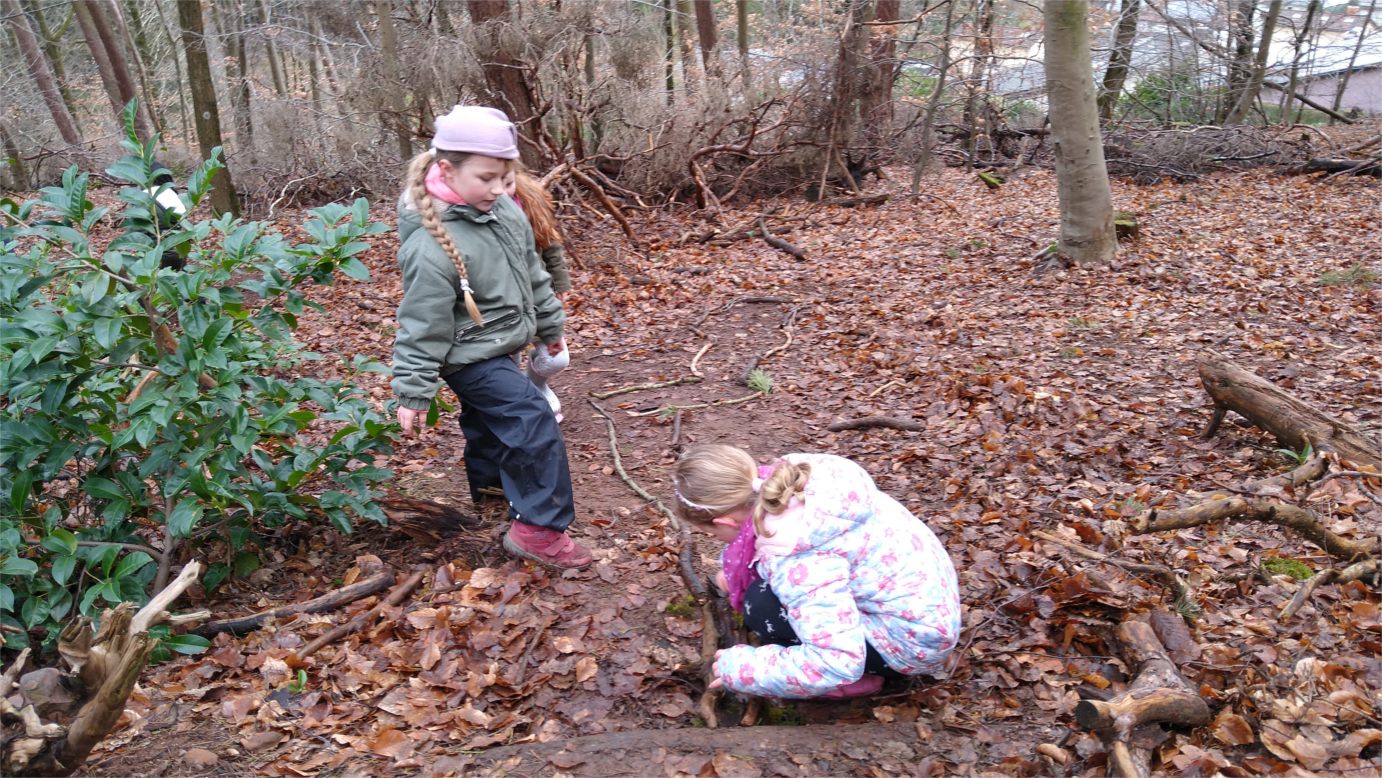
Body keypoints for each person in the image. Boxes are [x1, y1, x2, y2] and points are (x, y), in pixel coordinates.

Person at [390, 105, 591, 570]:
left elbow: (533, 274)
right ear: (446, 170)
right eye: (487, 178)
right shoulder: (430, 244)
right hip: (467, 355)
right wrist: (414, 391)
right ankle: (538, 530)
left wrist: (549, 326)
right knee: (531, 418)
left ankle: (493, 495)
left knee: (488, 424)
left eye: (506, 177)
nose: (500, 189)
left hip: (503, 341)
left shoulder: (504, 211)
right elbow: (421, 325)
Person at [673, 445, 959, 699]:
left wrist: (747, 670)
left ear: (725, 521)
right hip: (927, 598)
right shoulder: (796, 479)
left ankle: (862, 681)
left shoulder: (799, 558)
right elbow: (752, 541)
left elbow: (837, 661)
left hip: (911, 644)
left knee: (759, 605)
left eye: (710, 532)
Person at [502, 167, 570, 422]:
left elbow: (550, 243)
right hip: (500, 304)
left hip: (537, 296)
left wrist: (560, 283)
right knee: (508, 360)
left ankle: (536, 386)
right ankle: (523, 401)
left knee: (557, 359)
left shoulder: (530, 196)